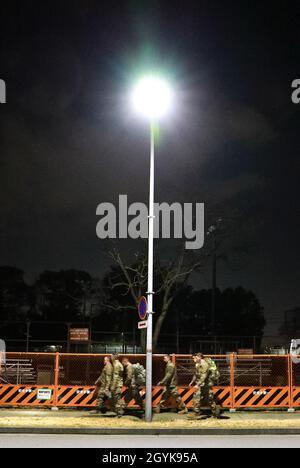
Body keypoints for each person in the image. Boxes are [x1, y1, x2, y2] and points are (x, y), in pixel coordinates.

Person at [189, 353, 220, 419]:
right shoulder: (197, 364)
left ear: (199, 357)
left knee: (209, 400)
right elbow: (196, 374)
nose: (193, 359)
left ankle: (215, 414)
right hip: (200, 385)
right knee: (196, 398)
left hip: (206, 385)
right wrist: (192, 381)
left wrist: (197, 384)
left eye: (195, 357)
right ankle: (196, 413)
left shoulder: (204, 364)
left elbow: (204, 376)